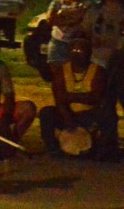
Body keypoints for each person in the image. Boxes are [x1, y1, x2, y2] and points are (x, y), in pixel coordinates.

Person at [39, 32, 117, 160]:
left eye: (81, 49)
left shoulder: (98, 71)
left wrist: (69, 97)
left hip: (90, 114)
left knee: (109, 115)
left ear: (89, 52)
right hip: (67, 113)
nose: (77, 53)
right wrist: (68, 119)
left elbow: (95, 98)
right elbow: (60, 100)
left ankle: (104, 151)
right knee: (46, 113)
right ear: (69, 52)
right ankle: (52, 149)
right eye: (74, 49)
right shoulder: (60, 71)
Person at [85, 0, 124, 115]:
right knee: (103, 101)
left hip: (119, 64)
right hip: (97, 62)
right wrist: (91, 39)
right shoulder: (95, 11)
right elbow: (85, 31)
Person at [46, 0, 90, 65]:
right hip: (58, 43)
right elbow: (50, 20)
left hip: (78, 45)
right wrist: (71, 18)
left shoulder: (87, 3)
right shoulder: (56, 2)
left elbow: (82, 15)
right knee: (57, 76)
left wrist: (62, 14)